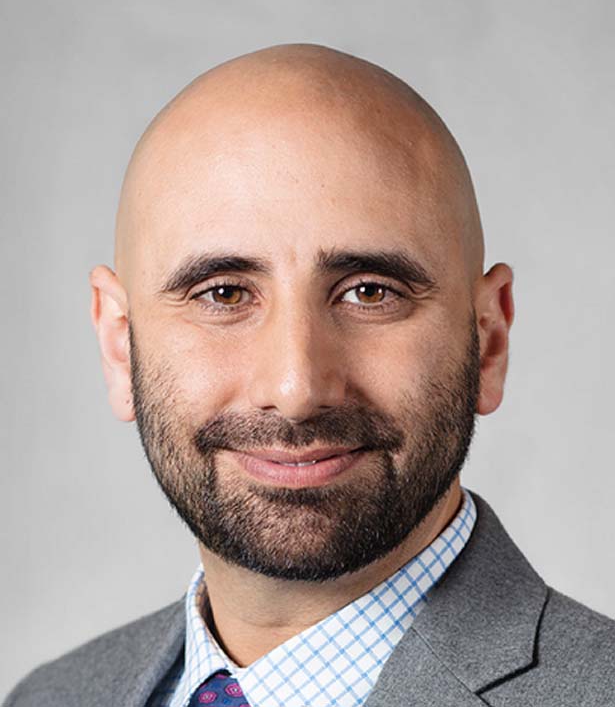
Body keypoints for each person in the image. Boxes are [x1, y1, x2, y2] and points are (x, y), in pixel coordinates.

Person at [5, 43, 614, 707]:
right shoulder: (48, 698)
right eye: (223, 294)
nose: (296, 390)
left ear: (488, 340)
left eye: (370, 293)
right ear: (120, 345)